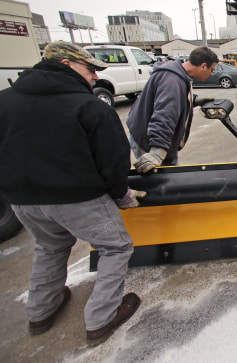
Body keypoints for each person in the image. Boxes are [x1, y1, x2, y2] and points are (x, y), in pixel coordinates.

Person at [0, 41, 145, 346]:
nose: (94, 76)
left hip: (22, 200)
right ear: (66, 65)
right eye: (90, 68)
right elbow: (113, 157)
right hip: (78, 197)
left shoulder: (4, 101)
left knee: (50, 247)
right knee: (115, 248)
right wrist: (121, 194)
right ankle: (101, 319)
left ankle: (40, 311)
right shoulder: (89, 106)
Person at [126, 46, 220, 173]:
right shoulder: (172, 80)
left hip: (155, 138)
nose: (212, 74)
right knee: (163, 183)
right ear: (203, 66)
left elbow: (171, 100)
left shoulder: (178, 74)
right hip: (150, 142)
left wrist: (193, 100)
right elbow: (164, 116)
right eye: (211, 69)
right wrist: (157, 152)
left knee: (170, 178)